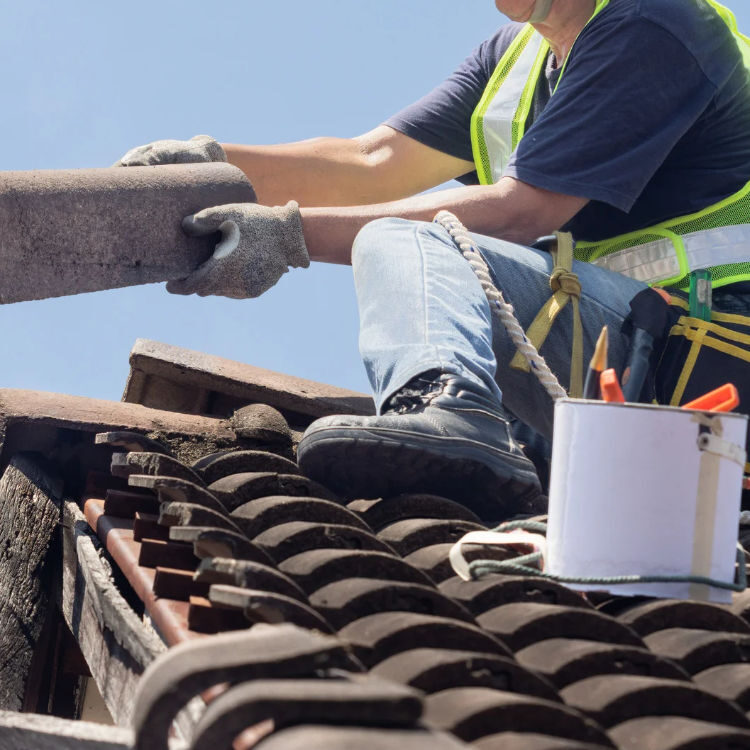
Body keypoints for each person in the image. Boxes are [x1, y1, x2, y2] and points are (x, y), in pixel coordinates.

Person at [117, 0, 750, 520]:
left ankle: (453, 411)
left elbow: (522, 209)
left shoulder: (656, 20)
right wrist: (216, 166)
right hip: (621, 362)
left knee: (416, 240)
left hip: (704, 361)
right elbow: (373, 164)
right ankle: (476, 440)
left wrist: (284, 236)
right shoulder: (514, 58)